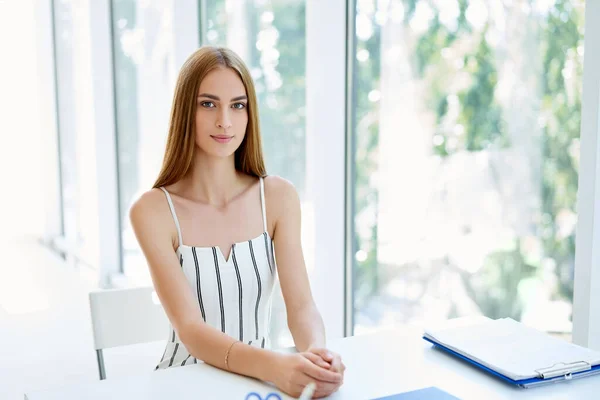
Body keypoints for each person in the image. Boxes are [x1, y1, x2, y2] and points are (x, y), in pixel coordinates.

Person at [129, 46, 345, 398]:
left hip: (257, 389)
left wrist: (317, 357)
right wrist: (275, 366)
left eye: (237, 105)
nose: (225, 121)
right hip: (181, 386)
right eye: (208, 104)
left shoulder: (278, 198)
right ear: (186, 111)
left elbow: (303, 306)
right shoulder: (152, 210)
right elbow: (190, 329)